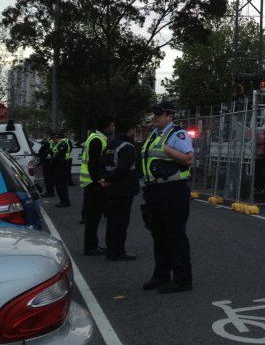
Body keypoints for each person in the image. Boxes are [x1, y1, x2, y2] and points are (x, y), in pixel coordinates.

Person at [141, 101, 194, 293]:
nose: (155, 116)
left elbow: (189, 159)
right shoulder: (155, 134)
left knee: (175, 235)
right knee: (159, 235)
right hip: (155, 191)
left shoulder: (177, 134)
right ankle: (161, 276)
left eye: (159, 113)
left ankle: (182, 279)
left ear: (170, 116)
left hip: (173, 190)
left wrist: (168, 150)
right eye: (154, 113)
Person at [101, 123, 140, 261]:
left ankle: (110, 249)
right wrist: (110, 179)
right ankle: (118, 251)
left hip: (110, 188)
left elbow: (102, 164)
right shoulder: (128, 147)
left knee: (111, 220)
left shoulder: (110, 145)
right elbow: (123, 168)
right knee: (121, 221)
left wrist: (106, 179)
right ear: (130, 130)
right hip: (123, 188)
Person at [80, 116, 115, 256]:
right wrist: (99, 181)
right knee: (93, 217)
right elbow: (93, 164)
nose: (113, 128)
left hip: (90, 183)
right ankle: (90, 247)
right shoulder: (97, 139)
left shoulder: (94, 137)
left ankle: (91, 245)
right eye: (111, 125)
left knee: (93, 216)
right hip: (93, 184)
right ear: (105, 127)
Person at [49, 131, 71, 208]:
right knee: (58, 185)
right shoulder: (57, 144)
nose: (53, 140)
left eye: (53, 138)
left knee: (61, 185)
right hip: (58, 166)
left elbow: (58, 155)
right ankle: (63, 200)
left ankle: (65, 201)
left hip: (61, 167)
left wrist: (52, 159)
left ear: (56, 137)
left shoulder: (63, 144)